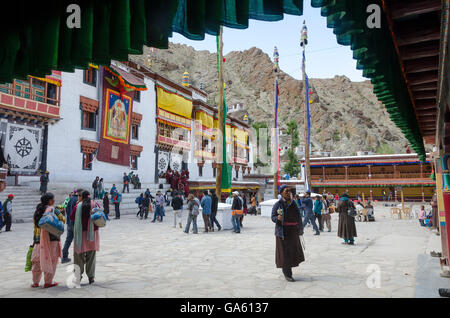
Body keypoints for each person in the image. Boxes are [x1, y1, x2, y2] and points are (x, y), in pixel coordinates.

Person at [271, 185, 304, 282]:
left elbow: (299, 217)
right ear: (281, 193)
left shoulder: (294, 204)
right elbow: (272, 217)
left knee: (292, 251)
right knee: (284, 253)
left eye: (289, 191)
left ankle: (289, 270)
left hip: (293, 231)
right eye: (286, 191)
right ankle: (287, 274)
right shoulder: (278, 204)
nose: (288, 192)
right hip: (282, 232)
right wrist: (277, 218)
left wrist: (300, 228)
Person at [31, 192, 64, 288]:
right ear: (50, 201)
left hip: (38, 239)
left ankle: (35, 282)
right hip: (52, 238)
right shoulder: (53, 210)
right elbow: (62, 219)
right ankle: (48, 282)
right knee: (52, 260)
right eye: (53, 199)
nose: (54, 200)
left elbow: (36, 224)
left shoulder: (37, 210)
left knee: (37, 261)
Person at [71, 190, 100, 285]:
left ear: (81, 197)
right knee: (91, 256)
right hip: (92, 234)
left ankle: (78, 277)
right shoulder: (95, 204)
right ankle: (91, 277)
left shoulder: (78, 206)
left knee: (78, 256)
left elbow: (71, 217)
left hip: (80, 234)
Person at [62, 189, 82, 263]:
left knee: (68, 240)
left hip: (69, 222)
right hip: (75, 223)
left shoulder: (68, 199)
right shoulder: (78, 200)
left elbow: (65, 209)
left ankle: (64, 256)